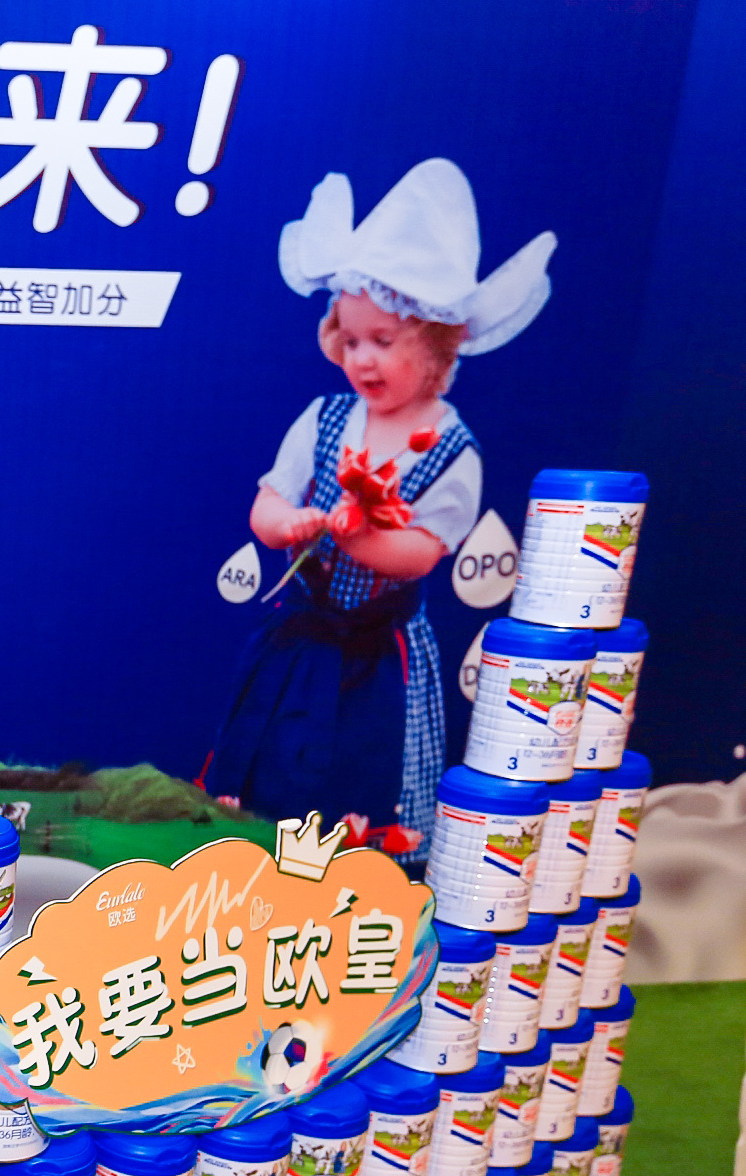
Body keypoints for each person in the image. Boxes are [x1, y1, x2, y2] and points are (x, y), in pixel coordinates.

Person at [204, 160, 555, 862]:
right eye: (352, 340)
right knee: (270, 769)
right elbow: (268, 501)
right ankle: (257, 866)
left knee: (357, 779)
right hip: (300, 643)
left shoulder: (451, 448)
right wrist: (287, 523)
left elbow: (421, 552)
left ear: (438, 344)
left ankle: (353, 881)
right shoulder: (326, 417)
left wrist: (365, 538)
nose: (362, 359)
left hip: (376, 659)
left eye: (384, 342)